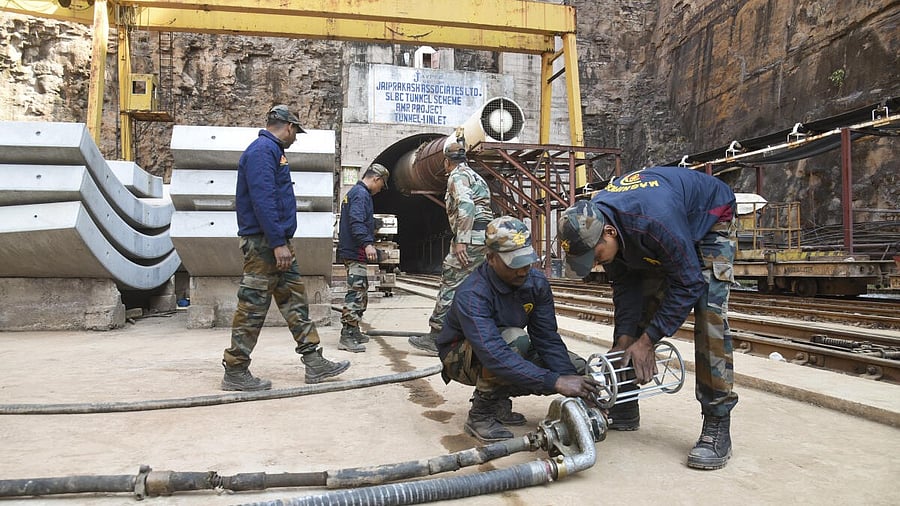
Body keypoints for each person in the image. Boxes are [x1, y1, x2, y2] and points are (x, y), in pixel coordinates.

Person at [556, 166, 738, 470]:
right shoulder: (602, 226)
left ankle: (717, 423)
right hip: (660, 229)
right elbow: (627, 287)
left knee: (709, 317)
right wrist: (626, 339)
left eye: (596, 256)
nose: (596, 263)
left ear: (609, 233)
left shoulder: (653, 220)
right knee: (630, 330)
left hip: (709, 218)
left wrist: (650, 339)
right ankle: (625, 406)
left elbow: (689, 282)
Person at [437, 216, 602, 442]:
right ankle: (481, 414)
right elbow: (493, 353)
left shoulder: (536, 283)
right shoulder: (473, 294)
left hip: (503, 350)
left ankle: (499, 403)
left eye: (526, 261)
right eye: (514, 263)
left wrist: (573, 383)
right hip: (461, 358)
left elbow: (547, 338)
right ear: (491, 258)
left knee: (576, 368)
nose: (523, 271)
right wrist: (554, 381)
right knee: (515, 339)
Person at [221, 104, 350, 391]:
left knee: (294, 300)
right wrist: (278, 242)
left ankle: (314, 361)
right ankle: (236, 369)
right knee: (253, 305)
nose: (295, 138)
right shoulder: (261, 151)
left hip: (276, 242)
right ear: (288, 126)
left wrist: (282, 242)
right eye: (296, 132)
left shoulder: (271, 152)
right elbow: (263, 199)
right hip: (264, 244)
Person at [408, 137, 494, 356]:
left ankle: (436, 336)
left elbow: (466, 204)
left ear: (447, 162)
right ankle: (480, 332)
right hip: (484, 236)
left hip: (471, 238)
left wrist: (462, 240)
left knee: (451, 282)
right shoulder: (475, 176)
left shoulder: (457, 176)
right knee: (478, 286)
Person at [336, 162, 391, 353]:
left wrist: (373, 223)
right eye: (381, 185)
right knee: (356, 292)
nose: (380, 189)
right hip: (355, 251)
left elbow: (359, 219)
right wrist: (368, 243)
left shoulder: (357, 194)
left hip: (352, 250)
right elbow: (356, 221)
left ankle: (354, 330)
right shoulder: (361, 194)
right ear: (376, 179)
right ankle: (347, 335)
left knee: (362, 290)